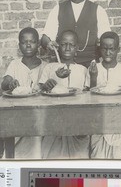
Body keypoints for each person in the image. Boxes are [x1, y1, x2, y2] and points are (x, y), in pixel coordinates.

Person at [40, 0, 111, 68]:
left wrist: (101, 42)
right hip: (63, 66)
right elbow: (45, 38)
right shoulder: (58, 9)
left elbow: (107, 40)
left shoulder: (98, 11)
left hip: (90, 66)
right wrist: (48, 43)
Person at [39, 30, 89, 159]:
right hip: (53, 122)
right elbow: (40, 94)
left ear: (76, 48)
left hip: (77, 122)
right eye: (63, 44)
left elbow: (87, 96)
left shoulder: (82, 70)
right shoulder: (50, 68)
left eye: (71, 45)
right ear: (58, 46)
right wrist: (49, 84)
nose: (67, 48)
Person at [85, 31, 121, 159]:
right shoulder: (93, 68)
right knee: (97, 157)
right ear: (100, 49)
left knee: (119, 157)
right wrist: (93, 77)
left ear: (118, 49)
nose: (107, 52)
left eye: (111, 49)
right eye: (104, 49)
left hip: (119, 122)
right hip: (98, 121)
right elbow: (89, 97)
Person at [1, 27, 47, 158]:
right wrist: (10, 83)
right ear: (19, 45)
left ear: (38, 45)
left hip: (39, 115)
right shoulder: (14, 65)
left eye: (32, 41)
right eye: (24, 42)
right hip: (18, 114)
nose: (28, 45)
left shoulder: (45, 66)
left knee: (37, 142)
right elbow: (5, 82)